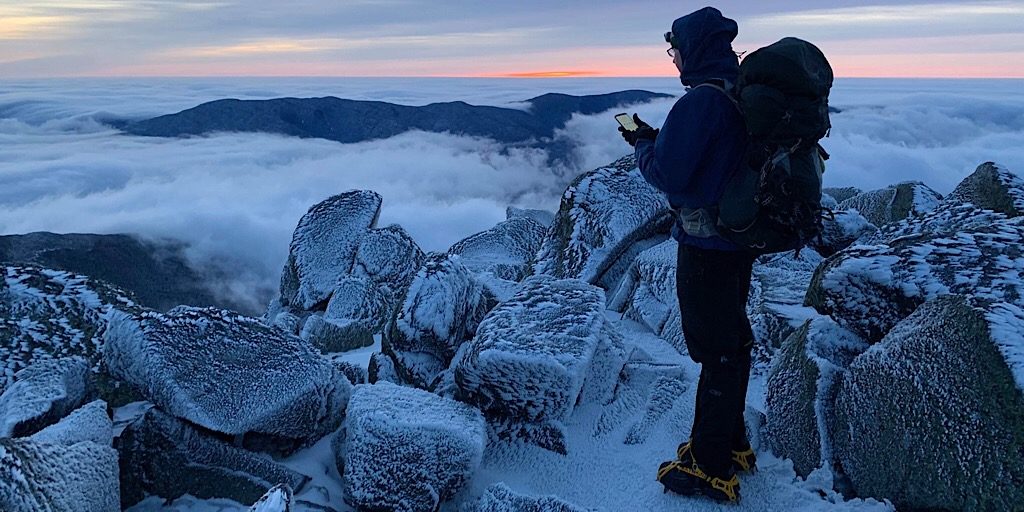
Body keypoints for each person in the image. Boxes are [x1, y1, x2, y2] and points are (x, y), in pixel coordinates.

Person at [619, 6, 755, 504]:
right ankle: (732, 441)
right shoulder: (735, 89)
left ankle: (708, 464)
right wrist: (657, 138)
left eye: (675, 48)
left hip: (707, 245)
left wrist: (641, 149)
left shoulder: (701, 101)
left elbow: (671, 177)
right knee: (733, 341)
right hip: (739, 239)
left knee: (714, 350)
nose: (673, 57)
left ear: (693, 48)